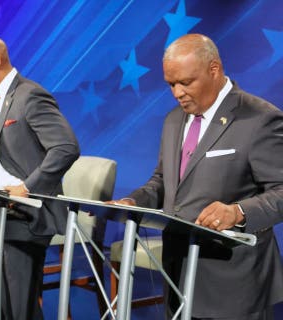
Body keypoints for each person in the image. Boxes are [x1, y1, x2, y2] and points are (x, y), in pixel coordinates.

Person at [109, 33, 283, 319]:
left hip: (232, 282)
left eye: (185, 82)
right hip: (177, 273)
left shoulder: (259, 118)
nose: (177, 93)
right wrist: (133, 201)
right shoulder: (173, 120)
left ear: (214, 69)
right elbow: (163, 182)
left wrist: (238, 211)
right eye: (170, 84)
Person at [0, 35, 80, 320]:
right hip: (2, 212)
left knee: (20, 307)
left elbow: (66, 147)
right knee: (6, 307)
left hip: (27, 215)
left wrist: (28, 188)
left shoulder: (29, 95)